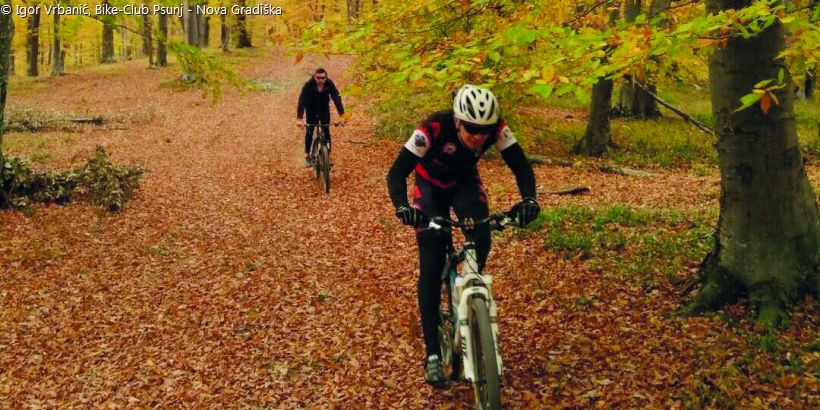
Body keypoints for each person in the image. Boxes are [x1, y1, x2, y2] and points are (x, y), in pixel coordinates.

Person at [386, 85, 541, 385]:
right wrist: (403, 207)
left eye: (484, 130)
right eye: (471, 129)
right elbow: (396, 173)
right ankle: (432, 353)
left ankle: (471, 297)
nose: (479, 137)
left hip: (463, 184)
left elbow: (521, 166)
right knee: (431, 264)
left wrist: (529, 200)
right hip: (429, 188)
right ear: (457, 121)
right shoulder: (432, 128)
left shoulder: (496, 129)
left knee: (481, 233)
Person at [297, 68, 345, 167]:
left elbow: (336, 98)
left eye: (323, 78)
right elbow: (302, 100)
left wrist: (342, 115)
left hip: (324, 110)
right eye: (318, 78)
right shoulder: (308, 85)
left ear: (326, 77)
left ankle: (328, 155)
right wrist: (299, 119)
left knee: (326, 131)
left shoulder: (329, 84)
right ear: (314, 77)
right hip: (311, 109)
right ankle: (307, 156)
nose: (320, 80)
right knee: (310, 131)